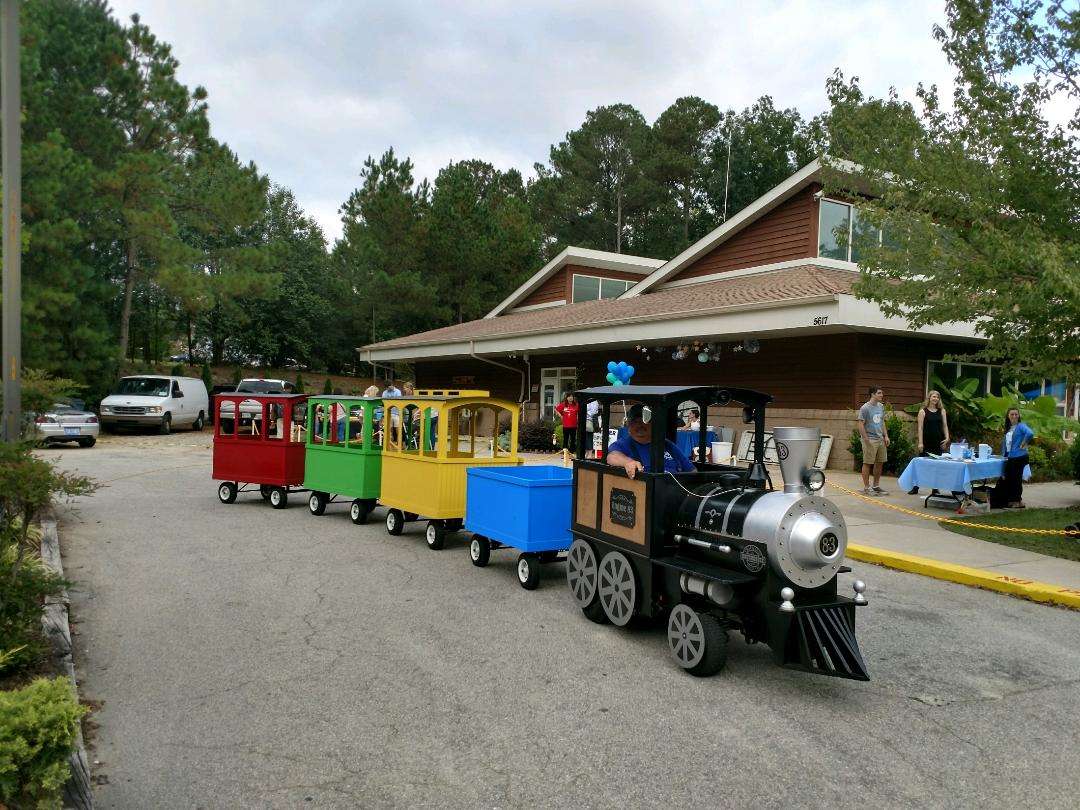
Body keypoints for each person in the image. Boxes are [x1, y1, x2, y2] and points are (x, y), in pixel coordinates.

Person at [607, 403, 695, 478]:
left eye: (644, 421)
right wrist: (627, 462)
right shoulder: (622, 444)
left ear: (653, 424)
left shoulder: (667, 444)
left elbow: (692, 470)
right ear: (629, 426)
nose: (640, 425)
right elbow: (612, 457)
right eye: (635, 422)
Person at [990, 407, 1033, 509]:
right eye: (1011, 414)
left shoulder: (1021, 426)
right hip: (1011, 457)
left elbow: (1030, 433)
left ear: (1019, 416)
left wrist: (1024, 443)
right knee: (1009, 479)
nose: (1014, 416)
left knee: (1016, 480)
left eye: (1016, 414)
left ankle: (1016, 501)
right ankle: (1013, 500)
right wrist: (1003, 456)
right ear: (1008, 416)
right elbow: (1006, 446)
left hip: (1019, 457)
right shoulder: (1008, 429)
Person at [909, 390, 950, 495]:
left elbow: (945, 425)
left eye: (937, 397)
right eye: (933, 397)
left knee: (937, 466)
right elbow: (920, 428)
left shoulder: (942, 411)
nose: (935, 399)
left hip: (938, 442)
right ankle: (915, 487)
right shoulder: (923, 411)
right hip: (926, 441)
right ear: (929, 398)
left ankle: (935, 488)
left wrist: (947, 438)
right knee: (921, 465)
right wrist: (920, 443)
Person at [858, 386, 890, 496]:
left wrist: (886, 436)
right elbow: (860, 424)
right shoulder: (865, 408)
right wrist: (866, 439)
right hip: (870, 439)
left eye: (882, 393)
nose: (882, 395)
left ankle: (876, 486)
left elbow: (882, 422)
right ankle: (867, 487)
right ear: (872, 394)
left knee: (879, 462)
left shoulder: (881, 406)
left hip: (880, 438)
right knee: (867, 463)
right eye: (879, 393)